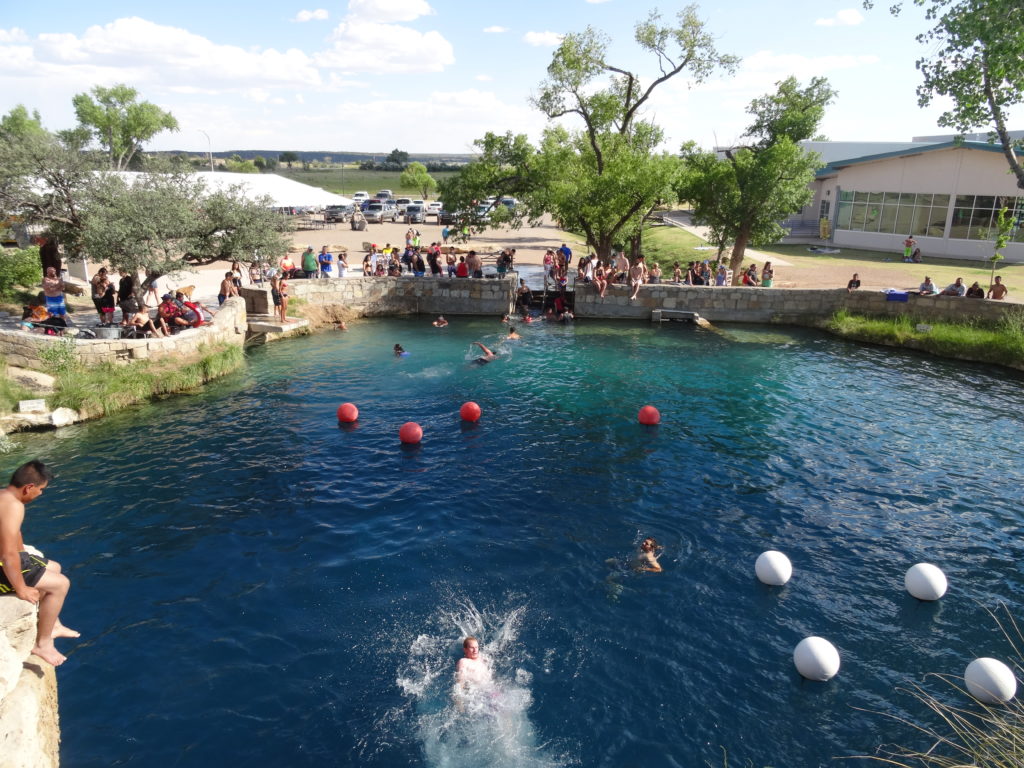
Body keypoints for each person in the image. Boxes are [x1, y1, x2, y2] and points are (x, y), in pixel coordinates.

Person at [0, 460, 77, 667]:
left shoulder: (3, 496)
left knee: (55, 567)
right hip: (1, 567)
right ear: (29, 487)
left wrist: (25, 557)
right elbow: (8, 555)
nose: (41, 494)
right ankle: (43, 644)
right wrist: (21, 588)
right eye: (41, 489)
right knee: (61, 584)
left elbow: (13, 534)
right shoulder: (14, 506)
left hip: (10, 558)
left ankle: (53, 624)